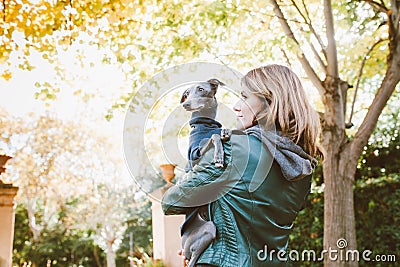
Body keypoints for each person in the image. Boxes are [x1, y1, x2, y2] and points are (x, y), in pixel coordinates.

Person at [162, 64, 323, 266]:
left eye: (245, 97)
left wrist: (200, 122)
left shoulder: (236, 149)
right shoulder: (302, 166)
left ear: (269, 102)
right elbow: (250, 221)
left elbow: (172, 201)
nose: (237, 106)